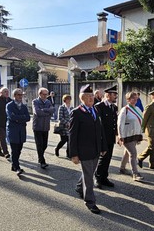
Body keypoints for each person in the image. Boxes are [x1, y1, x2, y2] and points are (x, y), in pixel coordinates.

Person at [70, 84, 108, 214]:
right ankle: (90, 202)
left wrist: (103, 147)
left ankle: (80, 188)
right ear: (82, 98)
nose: (92, 98)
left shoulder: (95, 110)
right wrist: (74, 154)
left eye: (92, 95)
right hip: (84, 151)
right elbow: (73, 135)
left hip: (96, 150)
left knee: (89, 173)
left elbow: (100, 130)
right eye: (88, 96)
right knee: (88, 177)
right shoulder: (76, 112)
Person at [94, 85, 118, 189]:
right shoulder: (99, 106)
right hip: (102, 138)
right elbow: (98, 124)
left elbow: (114, 122)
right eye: (114, 95)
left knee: (108, 158)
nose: (116, 96)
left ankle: (104, 178)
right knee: (102, 158)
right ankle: (98, 178)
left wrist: (117, 134)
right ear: (108, 95)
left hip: (110, 138)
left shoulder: (113, 107)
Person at [118, 91, 144, 181]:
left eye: (136, 98)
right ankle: (135, 174)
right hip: (127, 135)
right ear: (128, 99)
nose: (135, 100)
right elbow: (120, 124)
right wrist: (120, 136)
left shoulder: (138, 108)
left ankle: (122, 168)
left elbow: (140, 122)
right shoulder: (125, 109)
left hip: (135, 135)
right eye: (133, 98)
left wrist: (140, 134)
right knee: (133, 154)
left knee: (127, 152)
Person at [6, 88, 30, 176]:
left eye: (21, 95)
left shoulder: (23, 106)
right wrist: (21, 118)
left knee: (19, 150)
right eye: (19, 95)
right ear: (14, 96)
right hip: (13, 131)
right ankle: (17, 167)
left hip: (21, 131)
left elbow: (28, 118)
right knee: (14, 150)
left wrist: (18, 118)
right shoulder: (9, 105)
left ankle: (14, 165)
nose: (20, 96)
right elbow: (11, 117)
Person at [138, 87, 154, 171]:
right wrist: (142, 130)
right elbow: (144, 119)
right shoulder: (149, 107)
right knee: (152, 146)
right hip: (150, 130)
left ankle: (152, 164)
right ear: (153, 96)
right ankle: (140, 157)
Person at [32, 87, 55, 168]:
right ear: (40, 94)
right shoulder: (35, 101)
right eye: (44, 94)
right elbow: (37, 112)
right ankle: (42, 161)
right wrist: (47, 112)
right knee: (39, 144)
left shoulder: (48, 101)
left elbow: (53, 110)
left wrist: (44, 110)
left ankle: (40, 157)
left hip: (46, 126)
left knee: (45, 145)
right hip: (37, 126)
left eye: (46, 94)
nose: (45, 96)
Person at [54, 94, 73, 158]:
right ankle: (57, 148)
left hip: (70, 127)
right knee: (63, 140)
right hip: (63, 127)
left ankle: (68, 154)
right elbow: (60, 117)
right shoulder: (62, 107)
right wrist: (66, 123)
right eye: (68, 99)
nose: (69, 100)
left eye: (70, 99)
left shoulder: (71, 108)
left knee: (69, 140)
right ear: (65, 100)